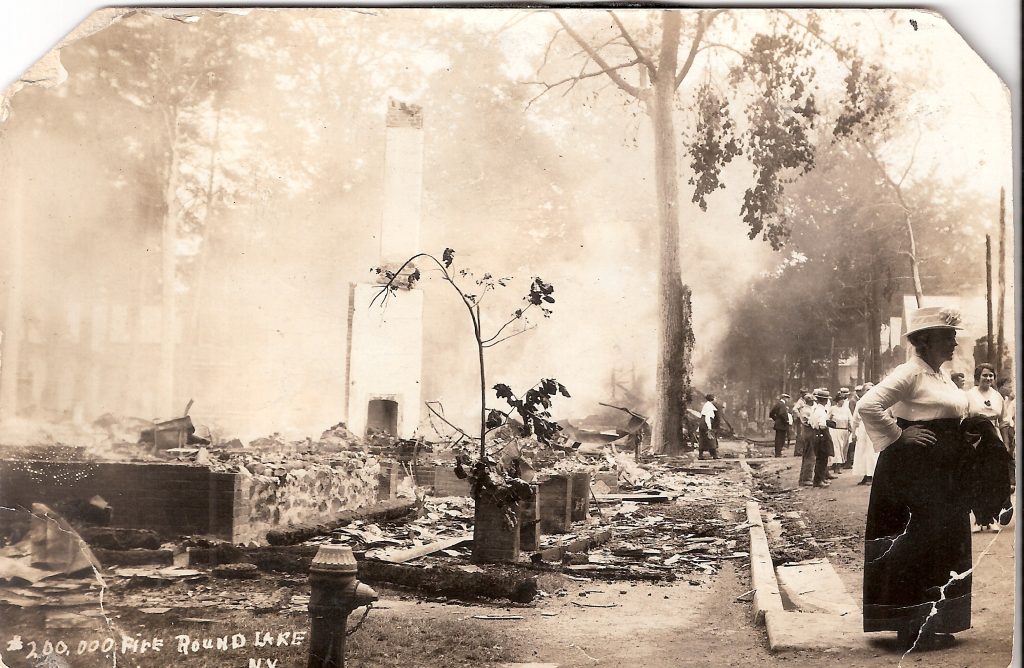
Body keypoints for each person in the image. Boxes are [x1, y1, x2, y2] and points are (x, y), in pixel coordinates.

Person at [858, 306, 1008, 650]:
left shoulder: (940, 375)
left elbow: (952, 412)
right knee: (919, 542)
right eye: (948, 337)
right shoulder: (910, 372)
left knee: (945, 541)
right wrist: (898, 435)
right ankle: (911, 628)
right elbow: (868, 405)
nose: (954, 343)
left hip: (944, 473)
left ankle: (934, 622)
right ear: (926, 341)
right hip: (916, 474)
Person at [849, 382, 878, 484]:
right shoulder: (860, 403)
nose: (870, 391)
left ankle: (871, 475)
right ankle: (865, 475)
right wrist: (853, 434)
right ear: (863, 391)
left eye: (871, 389)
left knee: (872, 452)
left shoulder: (878, 402)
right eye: (867, 390)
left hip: (873, 428)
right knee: (862, 452)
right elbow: (855, 420)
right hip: (862, 429)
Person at [965, 363, 1003, 433]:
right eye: (985, 375)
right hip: (975, 434)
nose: (988, 378)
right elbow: (964, 419)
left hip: (994, 434)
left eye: (991, 375)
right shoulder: (969, 395)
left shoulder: (997, 396)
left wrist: (1005, 440)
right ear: (978, 377)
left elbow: (1003, 421)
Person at [827, 387, 853, 474]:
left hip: (845, 430)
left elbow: (850, 419)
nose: (842, 401)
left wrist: (851, 428)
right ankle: (836, 467)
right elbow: (827, 419)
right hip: (835, 430)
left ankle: (839, 464)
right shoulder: (832, 409)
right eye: (841, 400)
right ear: (837, 401)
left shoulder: (846, 409)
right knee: (837, 448)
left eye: (843, 400)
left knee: (843, 448)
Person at [768, 393, 791, 457]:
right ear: (784, 398)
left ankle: (778, 453)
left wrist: (776, 419)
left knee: (778, 438)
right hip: (782, 424)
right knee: (781, 439)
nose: (787, 400)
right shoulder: (782, 404)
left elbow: (771, 413)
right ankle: (778, 453)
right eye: (787, 398)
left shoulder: (778, 404)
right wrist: (786, 420)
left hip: (778, 424)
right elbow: (782, 413)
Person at [698, 393, 720, 460]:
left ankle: (701, 455)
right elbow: (707, 417)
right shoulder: (709, 406)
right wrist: (709, 427)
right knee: (711, 438)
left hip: (703, 423)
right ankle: (714, 455)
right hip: (706, 423)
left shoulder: (708, 405)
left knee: (703, 439)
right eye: (715, 398)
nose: (716, 399)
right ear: (712, 399)